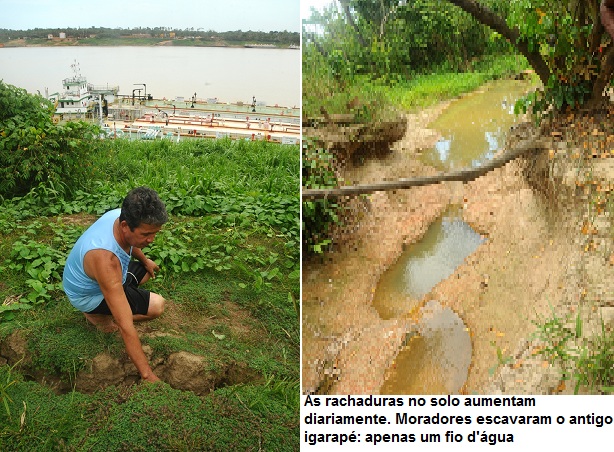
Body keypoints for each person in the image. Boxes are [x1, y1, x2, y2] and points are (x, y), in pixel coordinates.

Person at [63, 187, 168, 383]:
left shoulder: (117, 216)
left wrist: (145, 262)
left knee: (145, 274)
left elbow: (130, 244)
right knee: (157, 305)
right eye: (146, 234)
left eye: (155, 233)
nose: (151, 239)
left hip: (104, 277)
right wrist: (148, 375)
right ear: (126, 226)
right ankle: (96, 315)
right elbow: (125, 323)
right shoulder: (106, 260)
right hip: (89, 295)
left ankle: (117, 297)